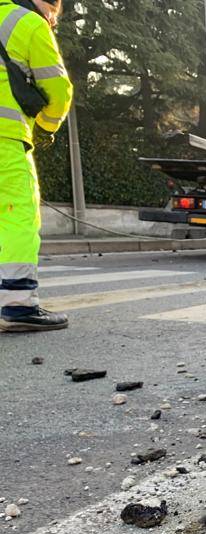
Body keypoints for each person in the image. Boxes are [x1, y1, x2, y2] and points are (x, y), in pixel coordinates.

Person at [0, 0, 72, 332]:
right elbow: (59, 90)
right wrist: (46, 127)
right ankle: (17, 306)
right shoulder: (28, 23)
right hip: (4, 138)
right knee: (17, 215)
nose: (52, 23)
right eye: (53, 18)